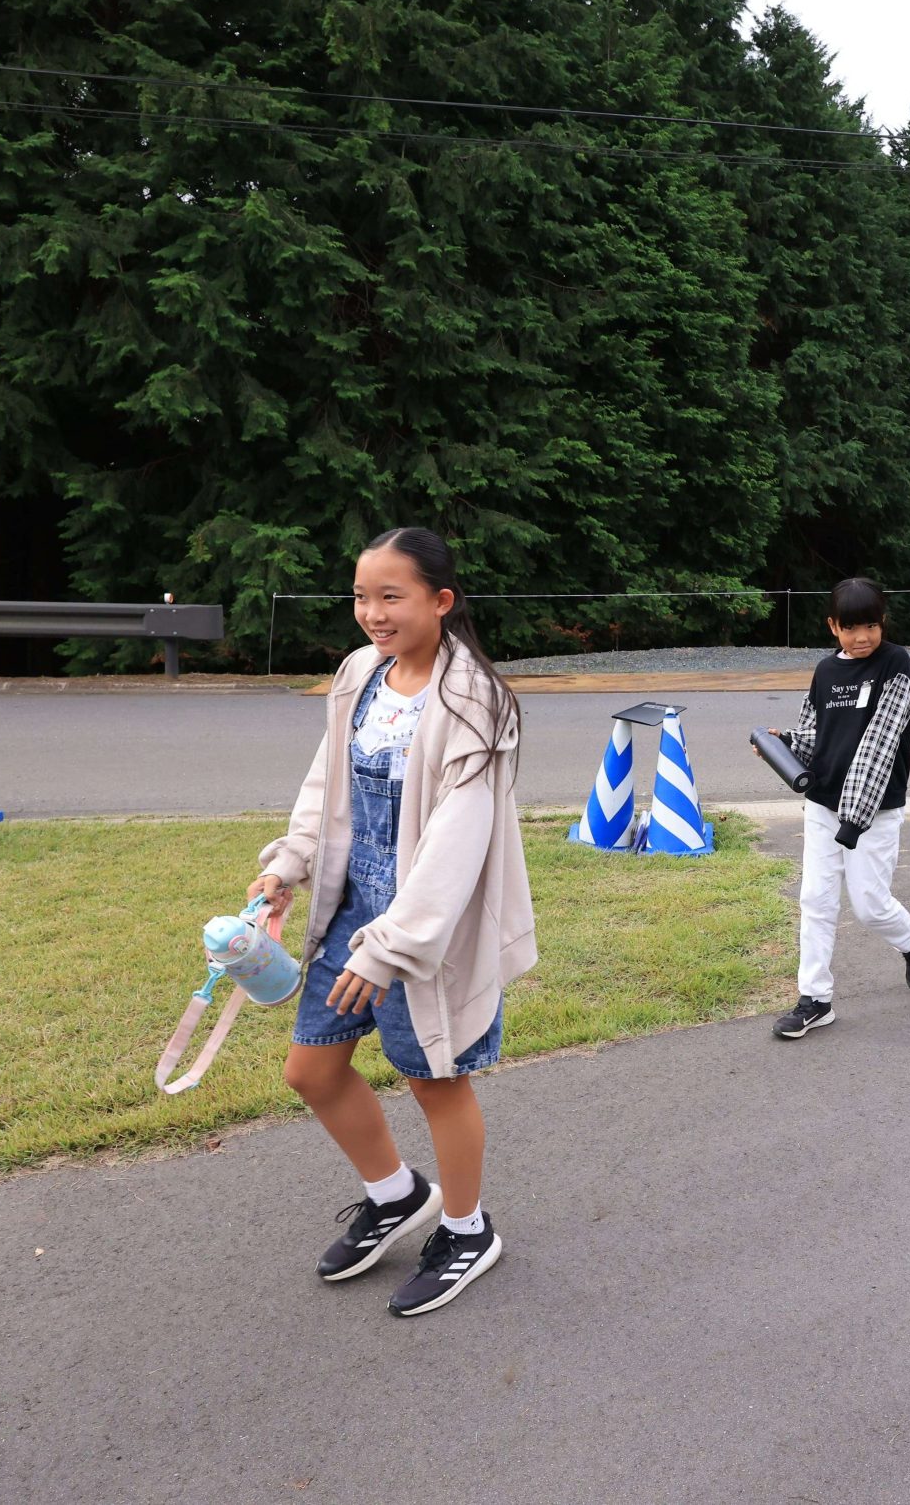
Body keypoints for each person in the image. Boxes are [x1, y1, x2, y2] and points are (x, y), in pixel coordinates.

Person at [250, 526, 536, 1316]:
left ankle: (467, 1230)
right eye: (361, 596)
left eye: (391, 596)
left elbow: (455, 844)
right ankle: (396, 1193)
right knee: (311, 1070)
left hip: (426, 927)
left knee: (434, 1079)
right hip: (353, 905)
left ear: (440, 601)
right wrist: (289, 863)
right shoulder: (359, 673)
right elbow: (328, 785)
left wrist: (392, 946)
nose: (373, 612)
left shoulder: (474, 700)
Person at [762, 576, 910, 1039]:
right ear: (833, 626)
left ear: (882, 623)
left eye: (871, 626)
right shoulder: (825, 671)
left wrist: (852, 821)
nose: (862, 638)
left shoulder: (895, 665)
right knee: (815, 900)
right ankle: (814, 1000)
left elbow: (879, 745)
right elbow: (814, 735)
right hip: (823, 806)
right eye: (851, 628)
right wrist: (784, 744)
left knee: (869, 906)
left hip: (874, 812)